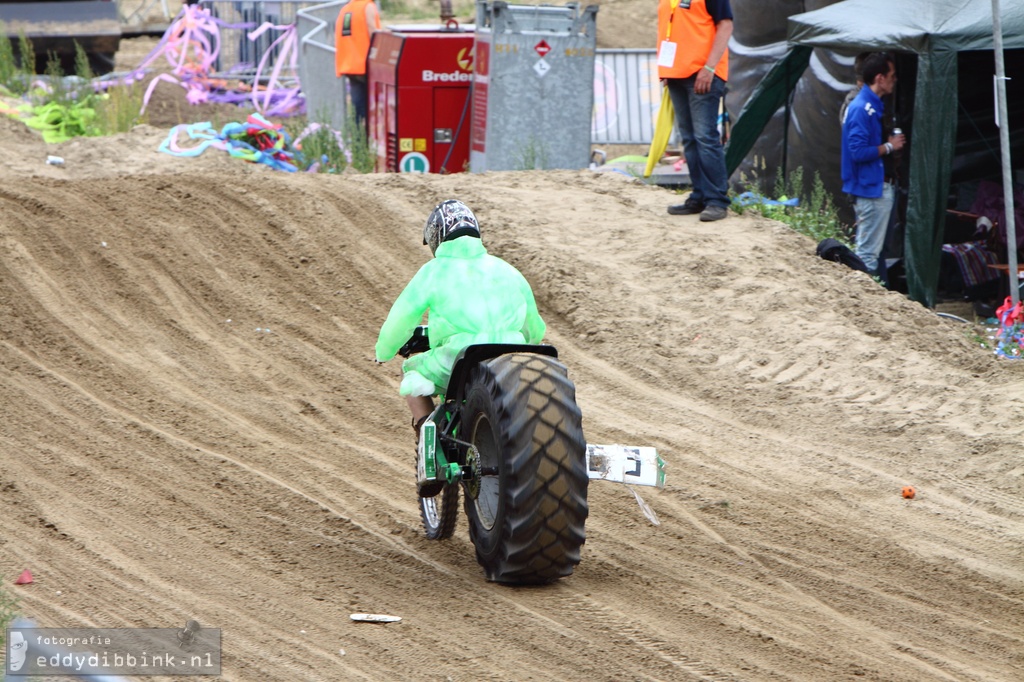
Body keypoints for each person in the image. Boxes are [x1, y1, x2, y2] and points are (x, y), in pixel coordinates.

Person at [375, 200, 546, 443]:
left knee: (412, 375)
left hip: (457, 359)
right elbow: (534, 328)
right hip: (510, 357)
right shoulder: (507, 269)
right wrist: (525, 342)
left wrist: (384, 351)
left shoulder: (433, 270)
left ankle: (430, 441)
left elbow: (402, 317)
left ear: (437, 237)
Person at [659, 0, 734, 222]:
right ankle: (699, 196)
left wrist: (710, 67)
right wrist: (667, 69)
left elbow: (726, 24)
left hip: (703, 73)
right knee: (690, 139)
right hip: (677, 74)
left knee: (705, 137)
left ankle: (717, 200)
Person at [841, 52, 906, 276]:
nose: (894, 80)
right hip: (871, 188)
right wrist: (889, 146)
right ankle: (856, 306)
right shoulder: (861, 107)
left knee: (873, 254)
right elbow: (857, 151)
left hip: (876, 186)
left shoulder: (873, 105)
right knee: (867, 257)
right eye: (892, 75)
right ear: (879, 78)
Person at [335, 0, 381, 128]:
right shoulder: (368, 6)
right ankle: (364, 142)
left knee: (357, 110)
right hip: (365, 65)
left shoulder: (347, 9)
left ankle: (356, 142)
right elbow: (374, 33)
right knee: (369, 111)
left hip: (349, 65)